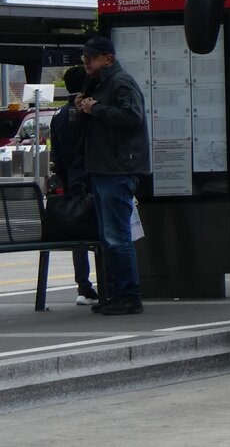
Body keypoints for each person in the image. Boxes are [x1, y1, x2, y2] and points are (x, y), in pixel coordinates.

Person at [77, 35, 150, 316]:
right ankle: (116, 293)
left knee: (117, 236)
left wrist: (96, 108)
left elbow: (133, 118)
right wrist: (86, 106)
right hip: (104, 167)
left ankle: (129, 295)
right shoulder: (103, 84)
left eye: (90, 58)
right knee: (110, 236)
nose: (86, 64)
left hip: (117, 169)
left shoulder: (120, 82)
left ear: (108, 58)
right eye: (84, 59)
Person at [48, 65, 100, 305]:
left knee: (79, 237)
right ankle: (108, 283)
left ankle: (83, 285)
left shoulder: (58, 117)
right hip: (92, 178)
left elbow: (56, 157)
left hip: (71, 182)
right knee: (102, 233)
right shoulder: (87, 111)